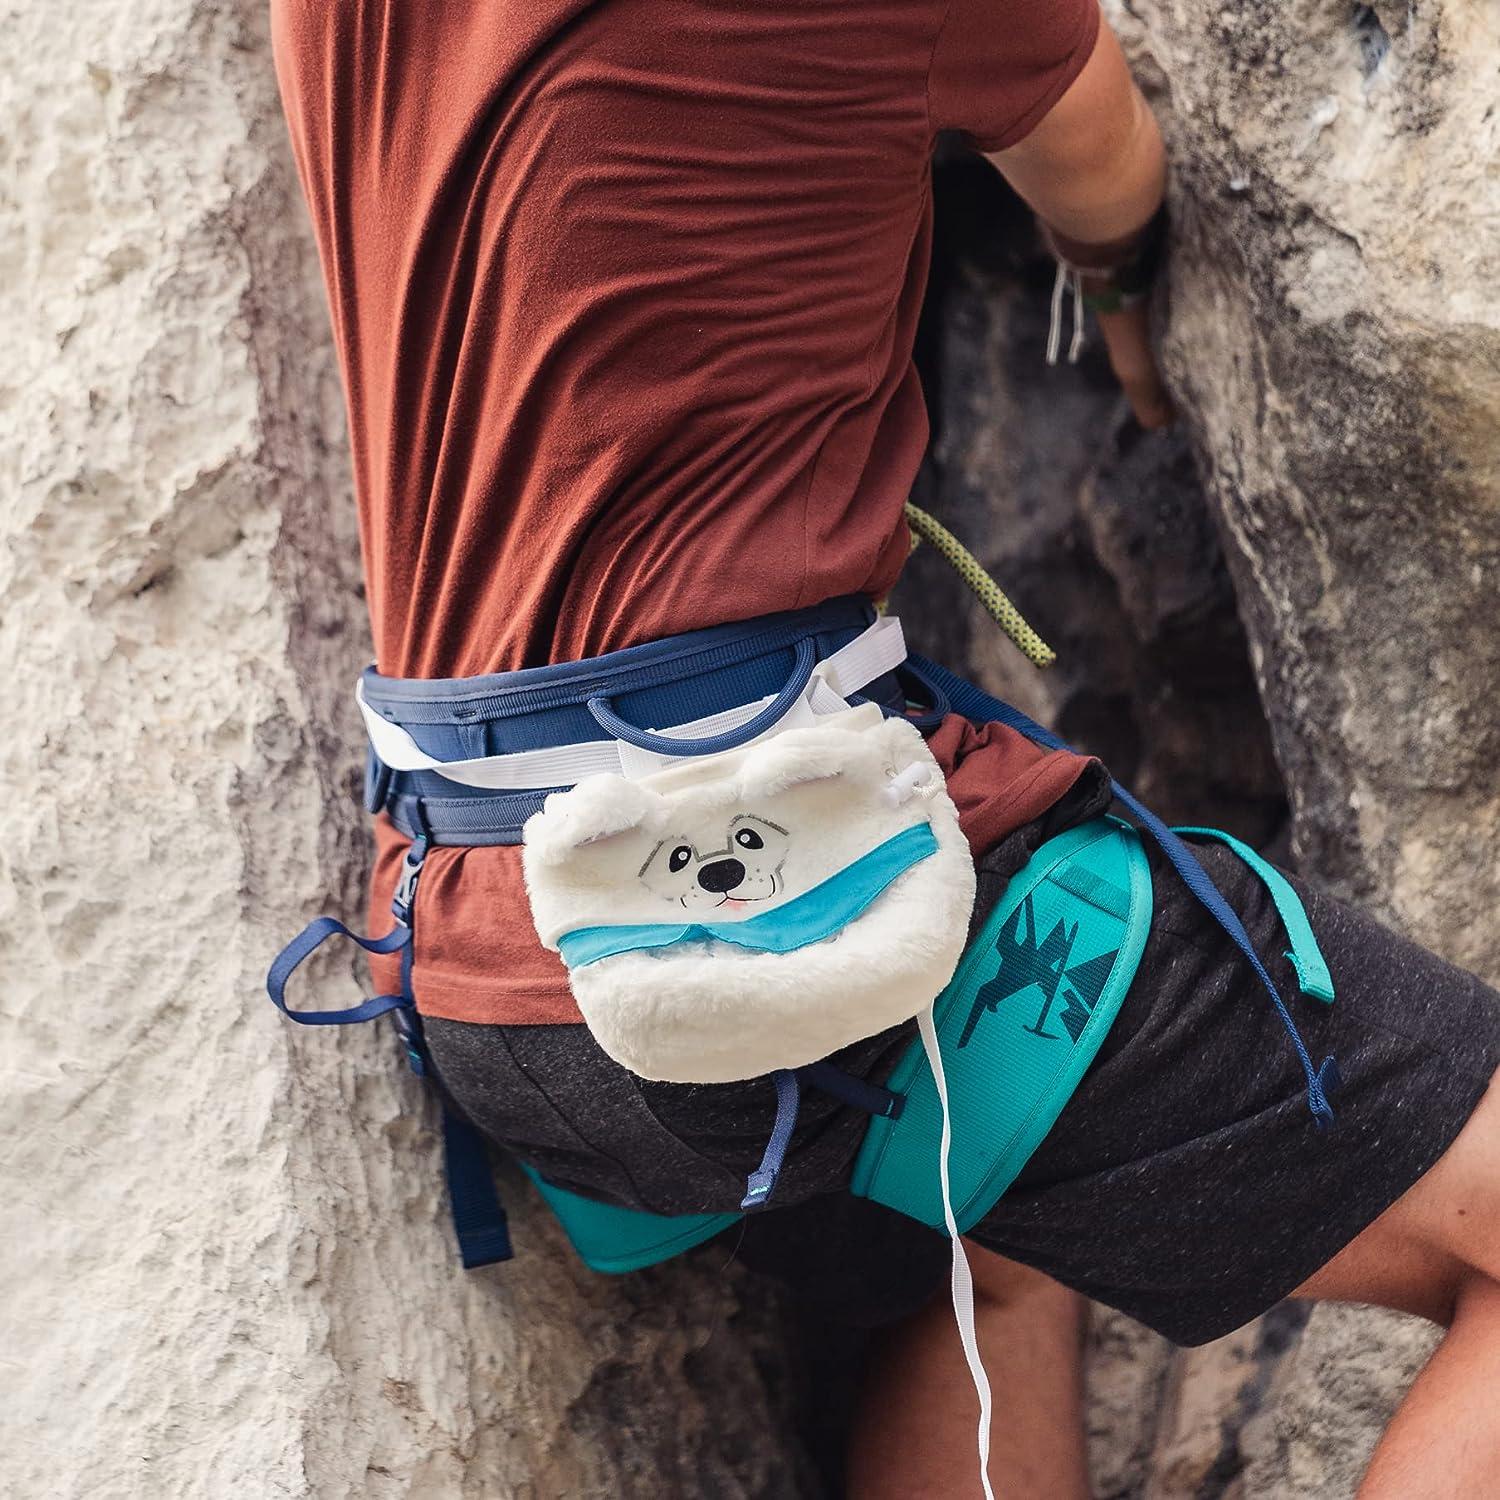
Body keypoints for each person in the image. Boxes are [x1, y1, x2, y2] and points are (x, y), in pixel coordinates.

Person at [271, 3, 1500, 1495]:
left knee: (983, 1242)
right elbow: (1100, 161)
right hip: (796, 922)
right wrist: (1113, 283)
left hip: (486, 961)